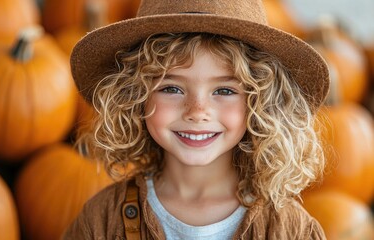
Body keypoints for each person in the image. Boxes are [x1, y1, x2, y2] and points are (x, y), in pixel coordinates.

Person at [63, 0, 330, 239]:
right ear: (135, 95)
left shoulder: (291, 230)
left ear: (262, 102)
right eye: (172, 88)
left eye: (224, 91)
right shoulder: (101, 221)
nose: (197, 111)